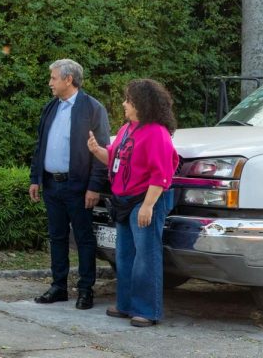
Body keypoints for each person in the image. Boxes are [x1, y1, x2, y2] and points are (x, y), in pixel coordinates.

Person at [87, 78, 178, 327]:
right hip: (124, 201)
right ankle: (125, 304)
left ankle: (147, 310)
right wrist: (96, 150)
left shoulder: (157, 133)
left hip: (145, 199)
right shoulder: (127, 129)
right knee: (125, 255)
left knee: (145, 257)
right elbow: (114, 158)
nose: (124, 104)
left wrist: (148, 206)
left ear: (142, 103)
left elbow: (161, 173)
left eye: (128, 100)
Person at [29, 58, 110, 310]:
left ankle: (85, 290)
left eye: (53, 78)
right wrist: (35, 178)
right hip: (51, 185)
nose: (50, 83)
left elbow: (102, 150)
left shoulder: (92, 108)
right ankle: (59, 287)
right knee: (57, 237)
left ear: (68, 79)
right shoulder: (51, 107)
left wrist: (94, 186)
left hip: (79, 187)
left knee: (84, 239)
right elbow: (40, 145)